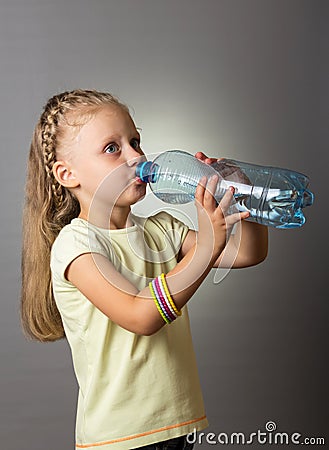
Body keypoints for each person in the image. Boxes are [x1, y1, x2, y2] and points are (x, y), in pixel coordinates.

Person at [21, 89, 268, 450]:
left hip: (177, 427)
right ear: (67, 174)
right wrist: (205, 250)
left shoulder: (162, 228)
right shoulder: (76, 246)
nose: (136, 156)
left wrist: (240, 193)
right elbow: (141, 316)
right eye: (112, 148)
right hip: (120, 436)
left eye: (135, 141)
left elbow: (248, 252)